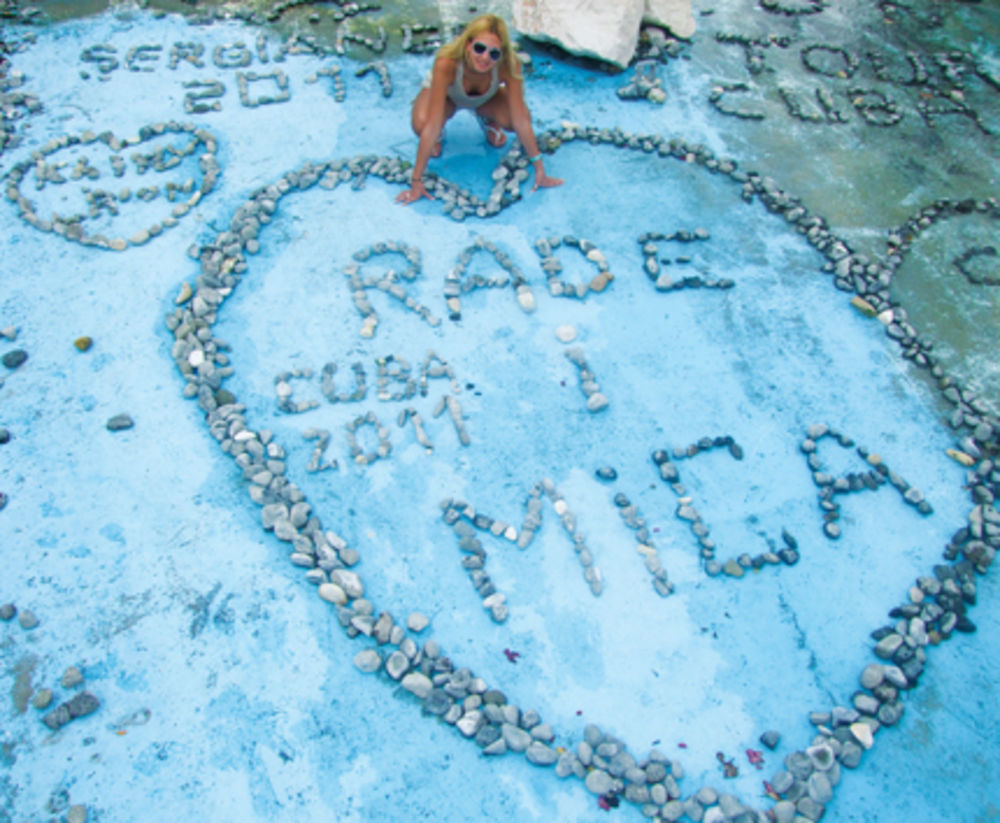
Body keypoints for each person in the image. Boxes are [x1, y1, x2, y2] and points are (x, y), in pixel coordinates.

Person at [395, 14, 563, 205]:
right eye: (480, 48)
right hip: (447, 98)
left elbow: (520, 120)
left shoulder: (509, 65)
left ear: (502, 54)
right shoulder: (446, 63)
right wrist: (416, 181)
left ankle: (487, 118)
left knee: (515, 118)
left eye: (494, 53)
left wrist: (539, 168)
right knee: (423, 124)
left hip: (485, 99)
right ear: (468, 44)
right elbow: (431, 125)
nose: (485, 57)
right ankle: (440, 135)